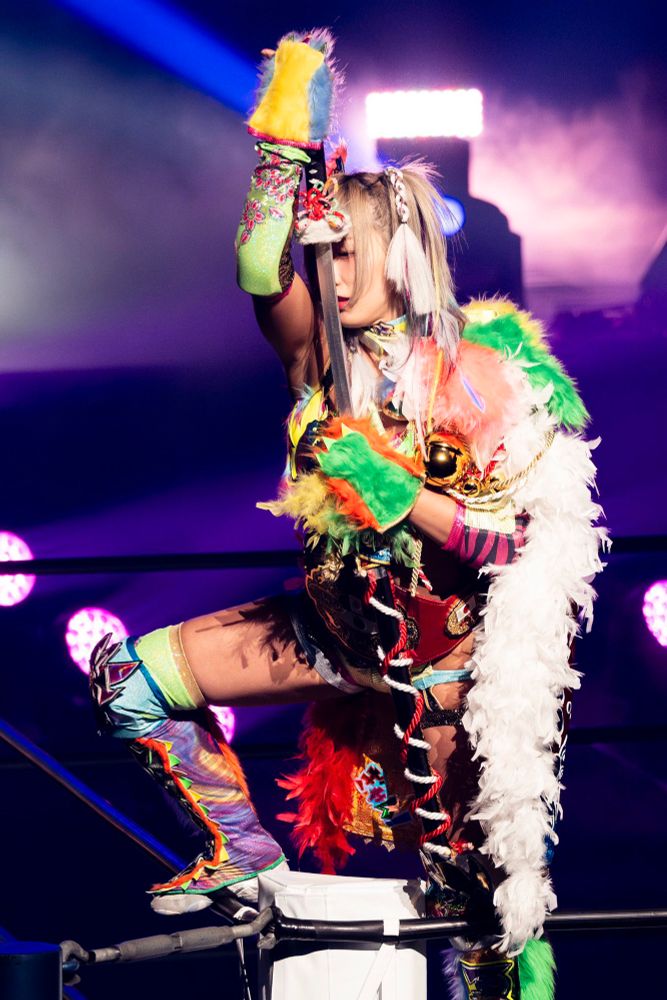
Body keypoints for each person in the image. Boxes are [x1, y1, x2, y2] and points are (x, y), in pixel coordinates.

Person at [89, 31, 604, 999]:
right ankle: (238, 850)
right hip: (333, 631)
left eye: (349, 251)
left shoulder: (488, 373)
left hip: (448, 672)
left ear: (405, 254)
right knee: (129, 677)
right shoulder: (321, 363)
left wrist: (400, 492)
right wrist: (290, 136)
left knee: (486, 911)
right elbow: (255, 265)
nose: (329, 271)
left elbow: (523, 546)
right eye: (323, 253)